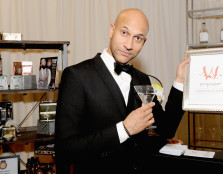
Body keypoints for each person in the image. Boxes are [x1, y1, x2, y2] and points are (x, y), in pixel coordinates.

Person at [55, 8, 190, 174]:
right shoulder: (77, 75)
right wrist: (124, 129)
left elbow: (164, 129)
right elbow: (66, 149)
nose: (129, 45)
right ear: (112, 30)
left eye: (138, 38)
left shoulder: (142, 79)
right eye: (124, 32)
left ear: (144, 42)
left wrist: (180, 82)